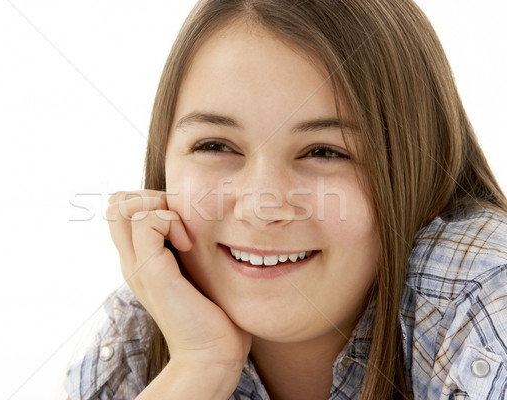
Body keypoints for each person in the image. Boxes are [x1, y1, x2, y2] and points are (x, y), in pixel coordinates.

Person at [64, 0, 507, 398]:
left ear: (421, 167)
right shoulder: (139, 336)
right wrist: (200, 366)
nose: (261, 205)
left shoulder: (483, 295)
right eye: (216, 146)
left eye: (324, 152)